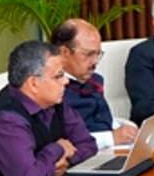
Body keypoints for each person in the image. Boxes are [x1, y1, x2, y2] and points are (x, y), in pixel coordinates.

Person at [0, 40, 97, 176]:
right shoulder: (6, 120)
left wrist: (64, 162)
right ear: (33, 83)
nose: (66, 81)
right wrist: (58, 148)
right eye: (58, 76)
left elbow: (88, 145)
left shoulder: (53, 101)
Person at [50, 18, 138, 148]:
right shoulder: (51, 90)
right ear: (64, 53)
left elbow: (105, 119)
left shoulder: (95, 80)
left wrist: (126, 127)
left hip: (112, 151)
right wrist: (111, 138)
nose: (95, 61)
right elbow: (64, 141)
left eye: (98, 54)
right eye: (89, 54)